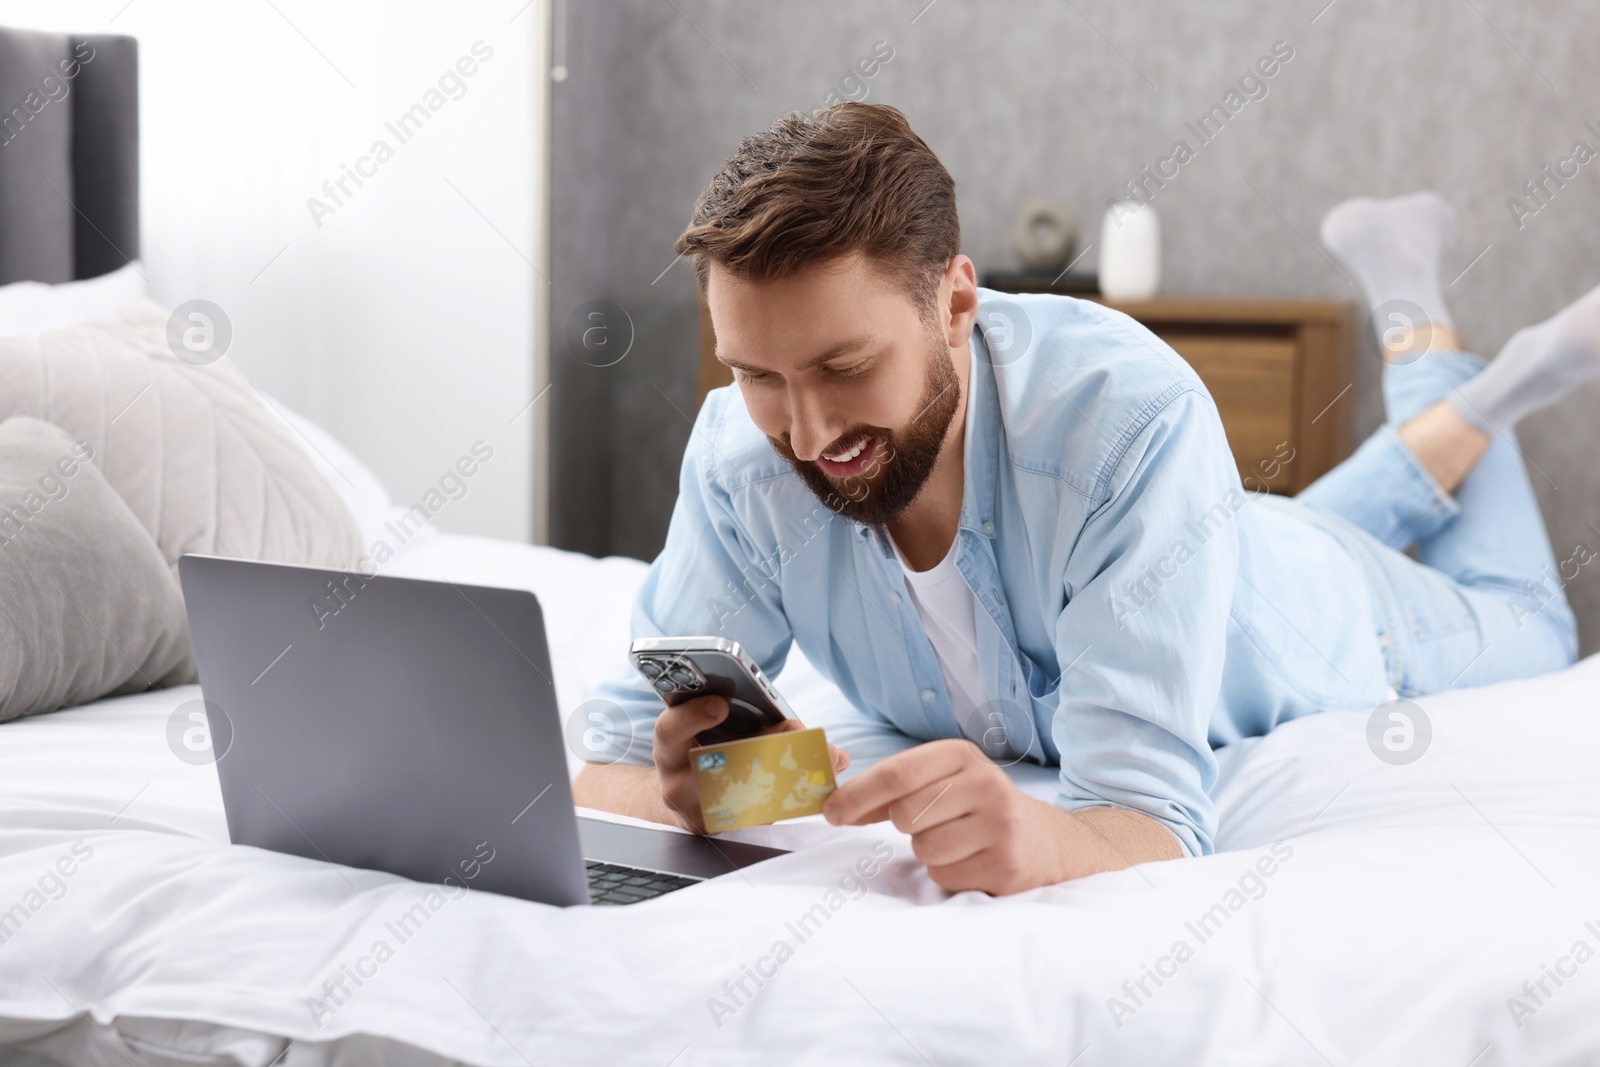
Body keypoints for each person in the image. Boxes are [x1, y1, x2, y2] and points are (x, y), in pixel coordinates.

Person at [574, 103, 1592, 895]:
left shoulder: (1127, 419)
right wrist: (714, 788)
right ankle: (1445, 386)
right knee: (1273, 516)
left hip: (1322, 609)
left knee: (1534, 624)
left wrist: (1045, 837)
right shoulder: (736, 460)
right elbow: (610, 762)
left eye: (844, 365)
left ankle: (1456, 366)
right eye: (756, 373)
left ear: (958, 300)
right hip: (1207, 535)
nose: (803, 431)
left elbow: (1141, 824)